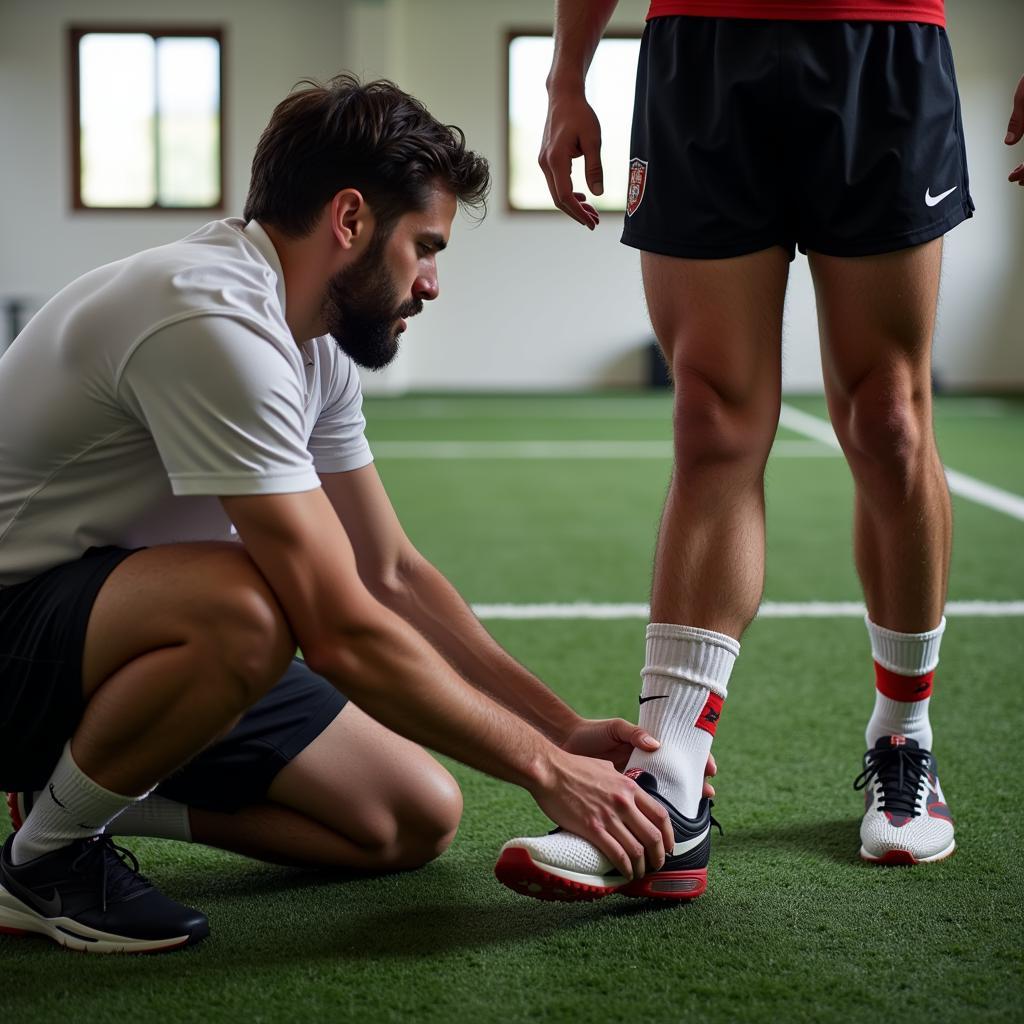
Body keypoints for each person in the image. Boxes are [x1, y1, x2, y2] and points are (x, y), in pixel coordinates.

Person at [0, 74, 681, 954]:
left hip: (111, 640)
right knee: (248, 604)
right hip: (21, 626)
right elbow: (340, 628)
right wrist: (549, 773)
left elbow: (388, 572)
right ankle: (44, 860)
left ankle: (72, 791)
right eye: (425, 247)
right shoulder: (211, 319)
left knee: (409, 817)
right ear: (350, 220)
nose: (431, 284)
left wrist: (563, 729)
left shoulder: (313, 345)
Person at [497, 1, 1024, 902]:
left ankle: (905, 737)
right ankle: (671, 784)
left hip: (882, 41)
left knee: (890, 416)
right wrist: (565, 77)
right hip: (703, 48)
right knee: (710, 416)